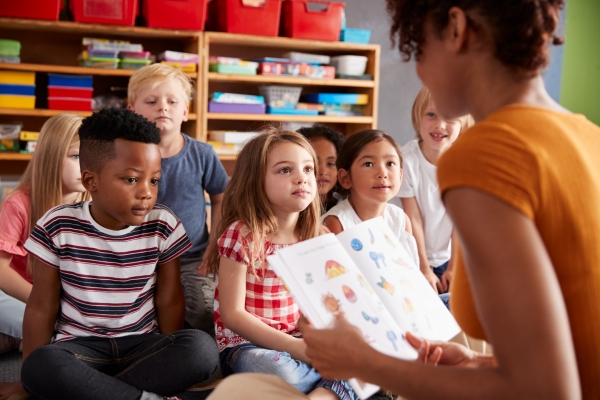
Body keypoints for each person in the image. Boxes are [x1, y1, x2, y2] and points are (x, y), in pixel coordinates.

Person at [210, 0, 600, 398]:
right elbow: (565, 349)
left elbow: (549, 387)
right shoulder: (588, 137)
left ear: (456, 28)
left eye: (418, 49)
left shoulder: (487, 154)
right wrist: (476, 363)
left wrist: (366, 364)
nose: (418, 70)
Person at [20, 108, 218, 400]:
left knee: (201, 348)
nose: (146, 192)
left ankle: (95, 392)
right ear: (91, 181)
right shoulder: (57, 224)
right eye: (131, 179)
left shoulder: (163, 224)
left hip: (141, 346)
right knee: (40, 366)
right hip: (80, 349)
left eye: (154, 180)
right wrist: (28, 380)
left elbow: (170, 298)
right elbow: (40, 306)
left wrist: (168, 349)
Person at [203, 128, 358, 400]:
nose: (302, 177)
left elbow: (328, 301)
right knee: (275, 369)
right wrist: (296, 350)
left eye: (308, 169)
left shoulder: (318, 235)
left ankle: (320, 392)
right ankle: (332, 388)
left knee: (365, 350)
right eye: (285, 170)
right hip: (248, 346)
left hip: (304, 339)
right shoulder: (242, 234)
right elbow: (233, 315)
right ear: (255, 181)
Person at [128, 63, 229, 335]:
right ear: (132, 110)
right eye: (152, 101)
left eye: (172, 101)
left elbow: (221, 197)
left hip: (192, 256)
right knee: (131, 314)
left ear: (185, 111)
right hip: (136, 255)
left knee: (202, 312)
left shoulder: (202, 153)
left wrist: (214, 245)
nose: (163, 107)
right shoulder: (123, 155)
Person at [0, 114, 89, 398]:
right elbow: (1, 271)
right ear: (52, 156)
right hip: (19, 294)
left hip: (60, 300)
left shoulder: (91, 204)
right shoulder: (19, 203)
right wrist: (44, 302)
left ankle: (18, 338)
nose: (87, 166)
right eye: (77, 156)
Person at [399, 87, 473, 294]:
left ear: (463, 123)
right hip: (411, 256)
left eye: (450, 118)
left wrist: (453, 267)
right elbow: (412, 217)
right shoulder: (406, 160)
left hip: (448, 258)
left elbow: (460, 220)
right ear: (418, 117)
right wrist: (423, 268)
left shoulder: (464, 165)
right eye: (431, 115)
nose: (439, 125)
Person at [322, 130, 418, 266]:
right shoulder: (336, 224)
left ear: (401, 175)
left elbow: (410, 271)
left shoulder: (400, 219)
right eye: (368, 164)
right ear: (345, 178)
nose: (383, 173)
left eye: (390, 163)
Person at [297, 124, 345, 212]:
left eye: (330, 164)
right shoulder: (291, 209)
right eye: (314, 163)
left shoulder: (343, 206)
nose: (323, 171)